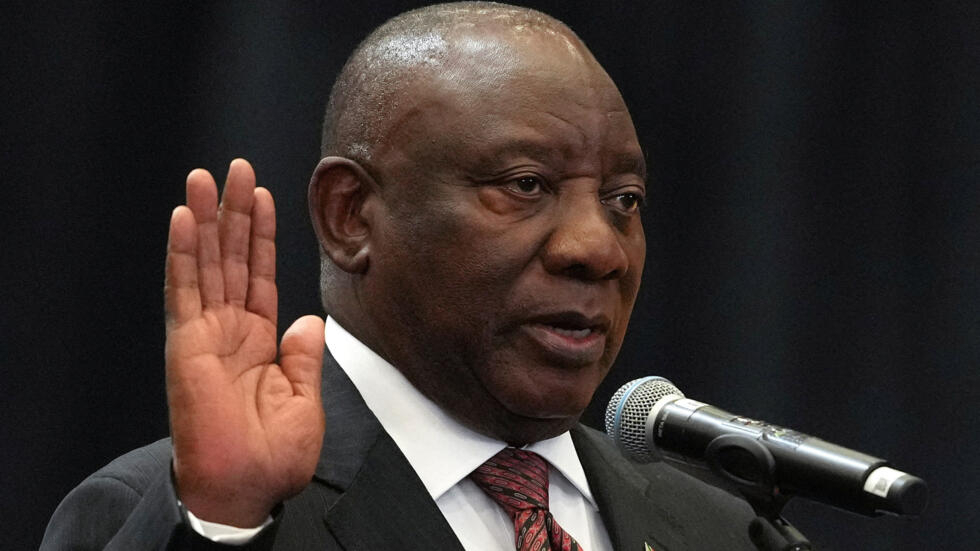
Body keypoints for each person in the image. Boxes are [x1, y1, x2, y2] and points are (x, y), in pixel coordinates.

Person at [42, 3, 758, 549]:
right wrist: (219, 527)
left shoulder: (721, 530)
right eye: (526, 184)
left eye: (623, 200)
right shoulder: (191, 511)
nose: (598, 248)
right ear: (351, 215)